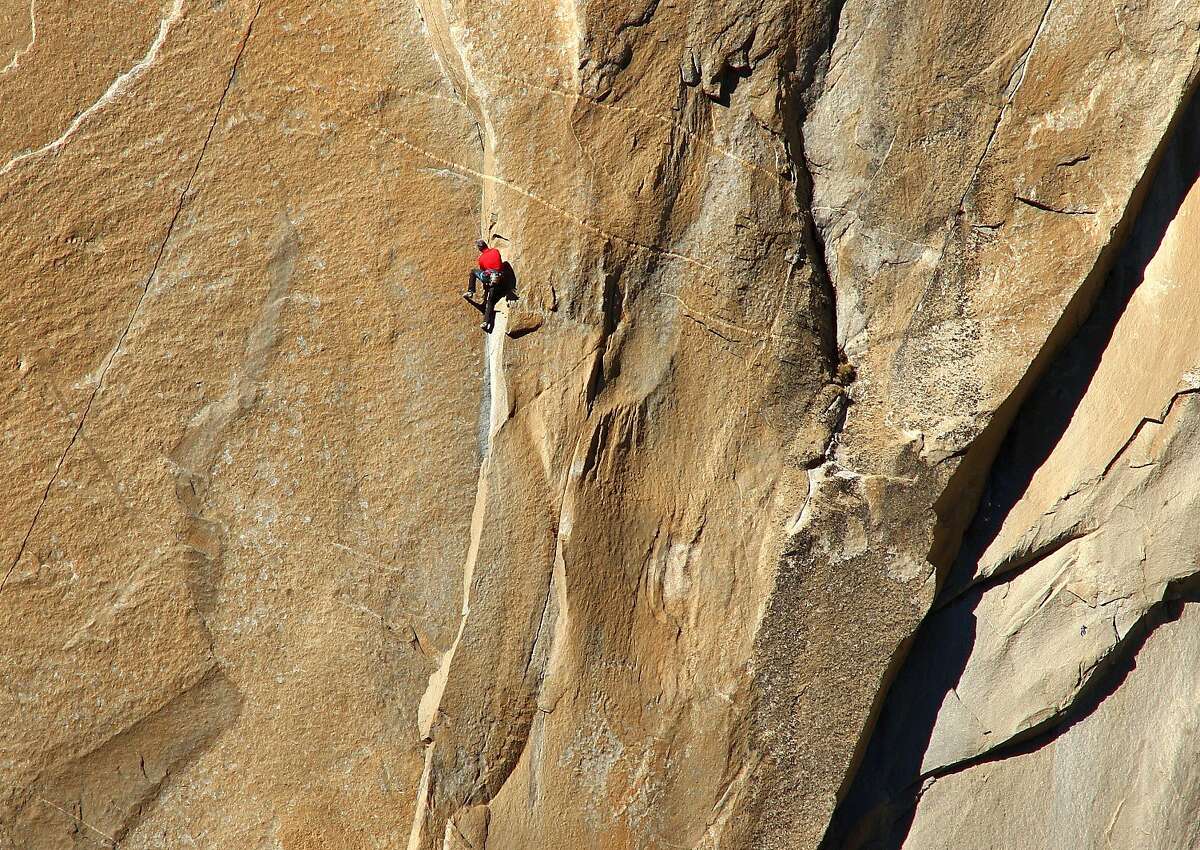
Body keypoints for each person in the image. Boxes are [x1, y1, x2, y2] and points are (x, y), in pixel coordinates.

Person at [464, 239, 509, 333]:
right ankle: (485, 322)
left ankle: (470, 291)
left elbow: (483, 270)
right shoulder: (495, 251)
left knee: (473, 272)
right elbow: (500, 263)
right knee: (490, 301)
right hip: (499, 278)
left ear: (480, 249)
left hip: (489, 278)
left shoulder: (481, 259)